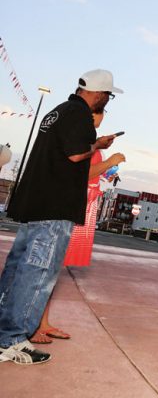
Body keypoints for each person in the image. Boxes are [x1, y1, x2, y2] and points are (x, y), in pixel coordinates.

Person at [0, 69, 121, 365]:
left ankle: (4, 333)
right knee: (38, 273)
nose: (107, 101)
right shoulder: (79, 114)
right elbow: (76, 154)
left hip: (36, 204)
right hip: (55, 208)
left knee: (17, 270)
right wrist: (99, 145)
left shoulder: (57, 112)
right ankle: (12, 340)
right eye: (108, 96)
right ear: (98, 93)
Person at [30, 109, 126, 345]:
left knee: (53, 267)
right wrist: (110, 162)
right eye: (100, 111)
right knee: (46, 266)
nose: (102, 116)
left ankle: (41, 322)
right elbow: (80, 173)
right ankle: (31, 323)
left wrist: (106, 167)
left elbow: (89, 173)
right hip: (70, 206)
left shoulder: (89, 141)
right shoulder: (80, 138)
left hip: (80, 206)